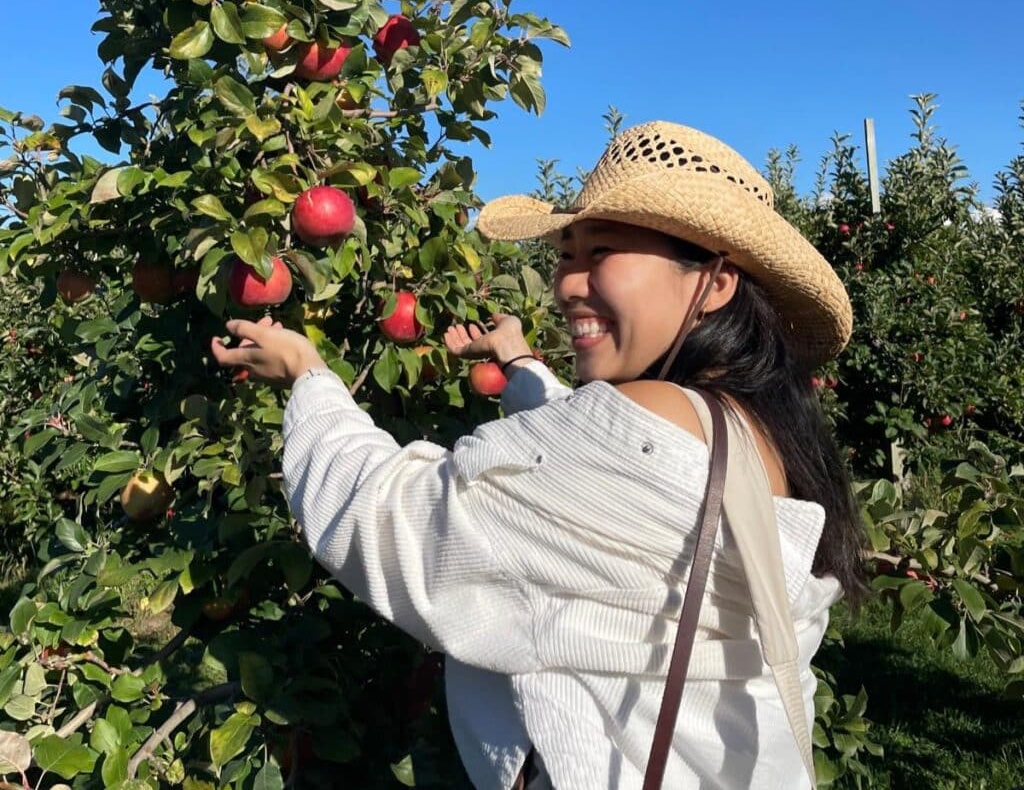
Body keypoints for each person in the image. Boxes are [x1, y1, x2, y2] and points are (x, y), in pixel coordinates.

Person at [211, 120, 867, 789]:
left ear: (716, 281)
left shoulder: (642, 424)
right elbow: (594, 468)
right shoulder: (753, 428)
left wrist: (309, 376)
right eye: (566, 254)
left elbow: (390, 522)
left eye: (601, 250)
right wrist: (518, 361)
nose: (568, 284)